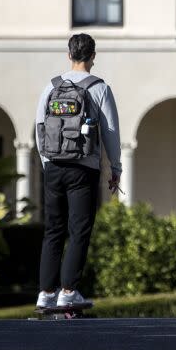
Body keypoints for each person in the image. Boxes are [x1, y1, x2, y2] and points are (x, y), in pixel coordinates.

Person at [34, 33, 121, 308]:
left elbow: (39, 128)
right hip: (83, 168)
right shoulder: (100, 88)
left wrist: (47, 162)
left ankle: (46, 293)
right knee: (79, 229)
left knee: (53, 230)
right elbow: (110, 133)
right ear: (93, 56)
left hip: (53, 167)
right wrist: (115, 168)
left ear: (69, 55)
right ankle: (69, 292)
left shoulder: (51, 87)